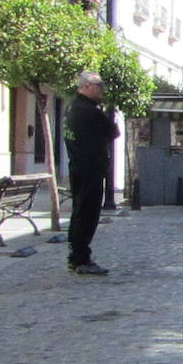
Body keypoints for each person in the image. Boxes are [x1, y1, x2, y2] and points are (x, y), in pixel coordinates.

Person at [64, 71, 118, 275]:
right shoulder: (89, 111)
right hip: (90, 168)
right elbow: (113, 131)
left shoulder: (71, 108)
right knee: (87, 213)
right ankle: (81, 258)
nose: (102, 89)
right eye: (98, 85)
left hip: (78, 166)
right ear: (86, 86)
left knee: (79, 211)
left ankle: (75, 256)